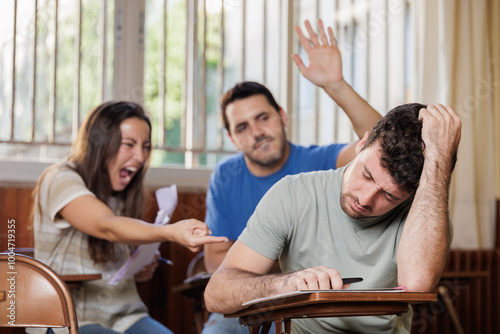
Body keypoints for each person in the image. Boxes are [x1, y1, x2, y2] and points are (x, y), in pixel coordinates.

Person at [204, 103, 462, 333]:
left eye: (389, 196)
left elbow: (416, 285)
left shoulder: (426, 214)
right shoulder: (293, 193)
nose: (365, 199)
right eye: (367, 175)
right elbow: (216, 294)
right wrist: (284, 284)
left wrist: (438, 158)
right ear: (362, 144)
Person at [202, 19, 381, 334]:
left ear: (282, 116)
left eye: (263, 118)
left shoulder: (320, 162)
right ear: (232, 138)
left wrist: (335, 84)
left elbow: (381, 144)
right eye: (242, 127)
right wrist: (287, 265)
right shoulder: (225, 176)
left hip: (306, 304)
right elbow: (215, 263)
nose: (257, 132)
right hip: (248, 304)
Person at [29, 101, 228, 334]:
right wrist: (170, 232)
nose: (140, 156)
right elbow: (107, 226)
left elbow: (112, 254)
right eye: (128, 145)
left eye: (145, 146)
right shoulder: (60, 178)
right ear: (100, 144)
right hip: (70, 320)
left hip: (126, 317)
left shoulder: (123, 193)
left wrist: (138, 267)